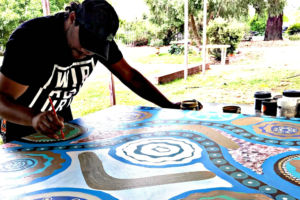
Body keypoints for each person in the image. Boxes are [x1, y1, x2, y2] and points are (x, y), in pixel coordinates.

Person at [0, 0, 201, 144]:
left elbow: (129, 76)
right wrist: (34, 118)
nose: (87, 52)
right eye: (84, 45)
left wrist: (167, 106)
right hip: (23, 129)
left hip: (62, 126)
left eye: (93, 49)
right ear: (72, 18)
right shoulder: (31, 39)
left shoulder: (99, 38)